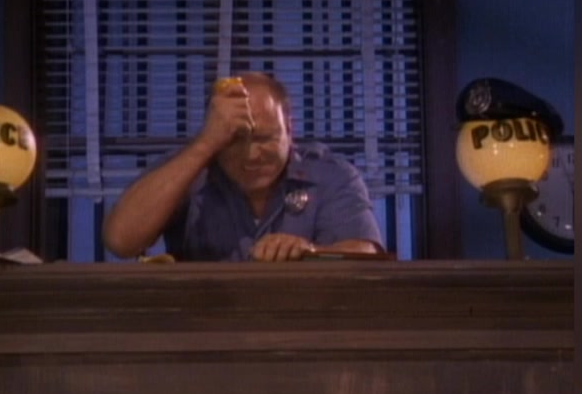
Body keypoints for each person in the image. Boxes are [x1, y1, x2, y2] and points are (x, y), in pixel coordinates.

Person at [103, 71, 385, 261]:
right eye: (235, 140)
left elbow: (367, 254)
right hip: (204, 325)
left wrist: (311, 251)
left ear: (289, 129)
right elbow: (120, 242)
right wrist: (206, 144)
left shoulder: (330, 175)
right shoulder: (187, 170)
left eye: (265, 139)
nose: (251, 156)